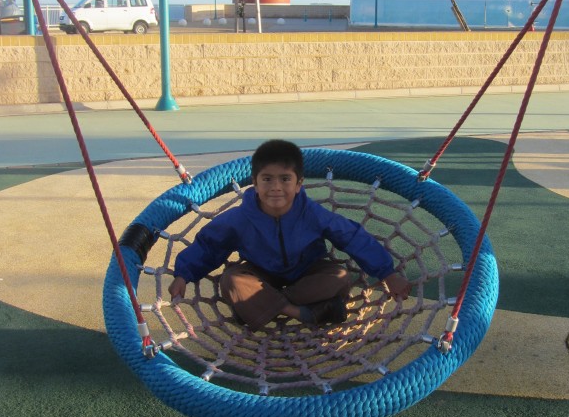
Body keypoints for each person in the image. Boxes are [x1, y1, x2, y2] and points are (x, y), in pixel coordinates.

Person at [168, 139, 412, 330]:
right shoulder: (240, 218)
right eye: (267, 179)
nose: (276, 187)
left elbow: (351, 236)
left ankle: (257, 307)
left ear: (298, 184)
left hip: (307, 271)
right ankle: (301, 312)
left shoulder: (312, 214)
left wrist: (387, 274)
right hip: (261, 273)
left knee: (340, 276)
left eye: (285, 179)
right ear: (254, 182)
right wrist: (184, 274)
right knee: (231, 281)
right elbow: (209, 245)